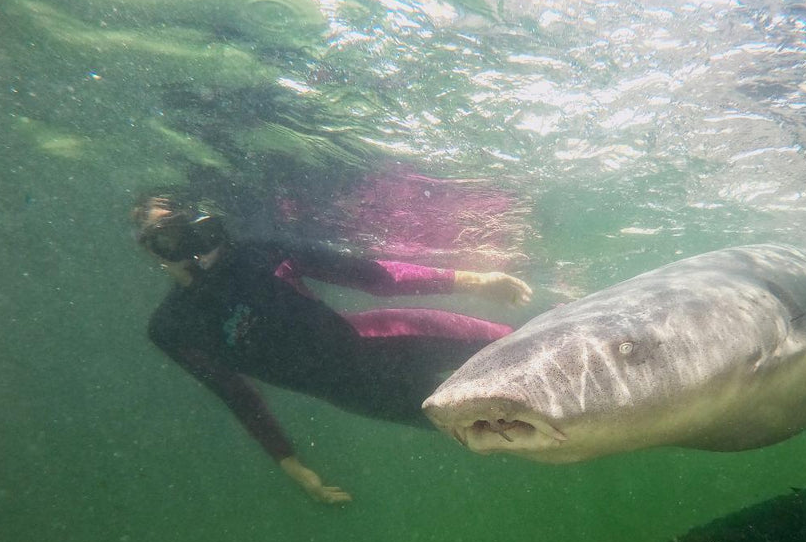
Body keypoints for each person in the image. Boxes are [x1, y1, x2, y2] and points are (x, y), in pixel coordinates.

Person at [133, 193, 532, 504]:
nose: (182, 249)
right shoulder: (172, 328)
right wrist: (290, 464)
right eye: (164, 239)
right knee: (496, 426)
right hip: (363, 395)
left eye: (183, 231)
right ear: (150, 252)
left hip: (390, 338)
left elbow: (373, 276)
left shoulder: (256, 254)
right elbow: (236, 394)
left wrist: (476, 280)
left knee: (522, 348)